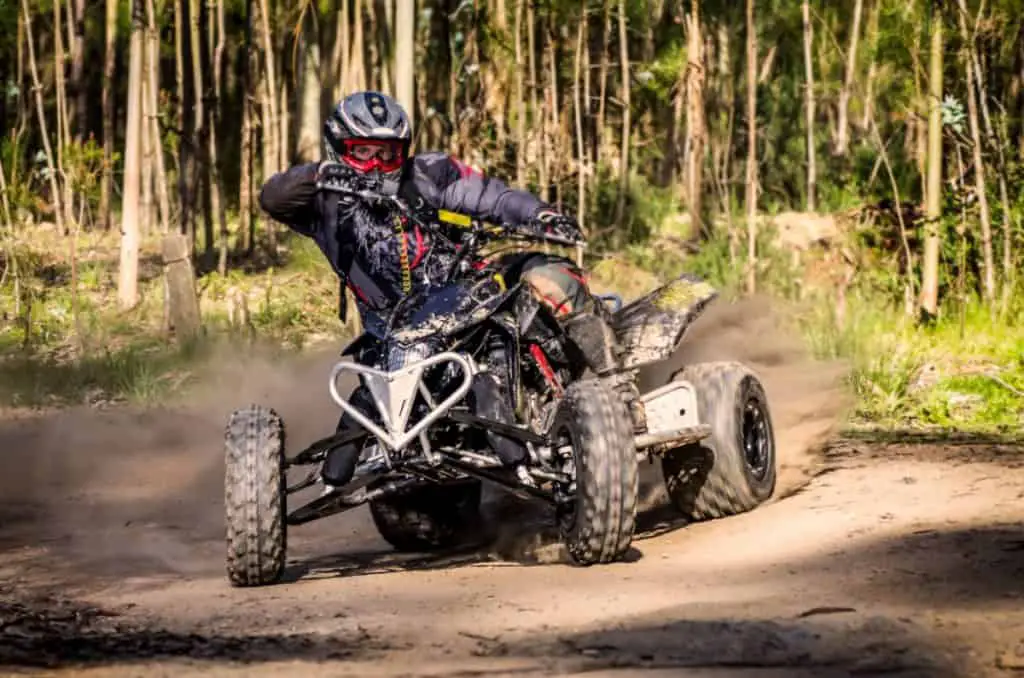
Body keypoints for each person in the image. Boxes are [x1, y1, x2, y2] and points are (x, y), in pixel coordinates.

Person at [259, 91, 620, 489]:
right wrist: (320, 175)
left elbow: (493, 197)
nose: (378, 164)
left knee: (549, 274)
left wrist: (539, 214)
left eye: (388, 153)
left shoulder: (429, 174)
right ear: (339, 149)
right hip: (389, 336)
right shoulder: (323, 201)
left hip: (466, 303)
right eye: (363, 152)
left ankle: (614, 384)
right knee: (418, 519)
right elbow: (273, 197)